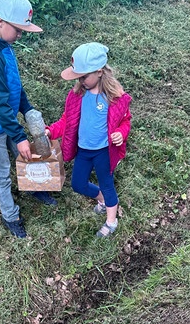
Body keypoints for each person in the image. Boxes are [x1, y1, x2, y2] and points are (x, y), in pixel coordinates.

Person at [0, 0, 56, 239]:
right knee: (1, 169)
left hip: (3, 117)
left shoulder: (4, 45)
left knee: (22, 154)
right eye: (18, 30)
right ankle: (10, 215)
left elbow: (13, 84)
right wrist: (18, 135)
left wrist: (26, 108)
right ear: (1, 22)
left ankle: (32, 187)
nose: (20, 35)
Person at [45, 42, 132, 237]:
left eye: (84, 76)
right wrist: (51, 131)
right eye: (79, 77)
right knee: (78, 184)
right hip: (83, 150)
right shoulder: (77, 95)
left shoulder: (115, 98)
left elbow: (125, 121)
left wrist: (121, 133)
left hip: (103, 151)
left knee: (107, 182)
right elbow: (67, 121)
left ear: (99, 72)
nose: (81, 80)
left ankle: (111, 220)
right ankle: (102, 199)